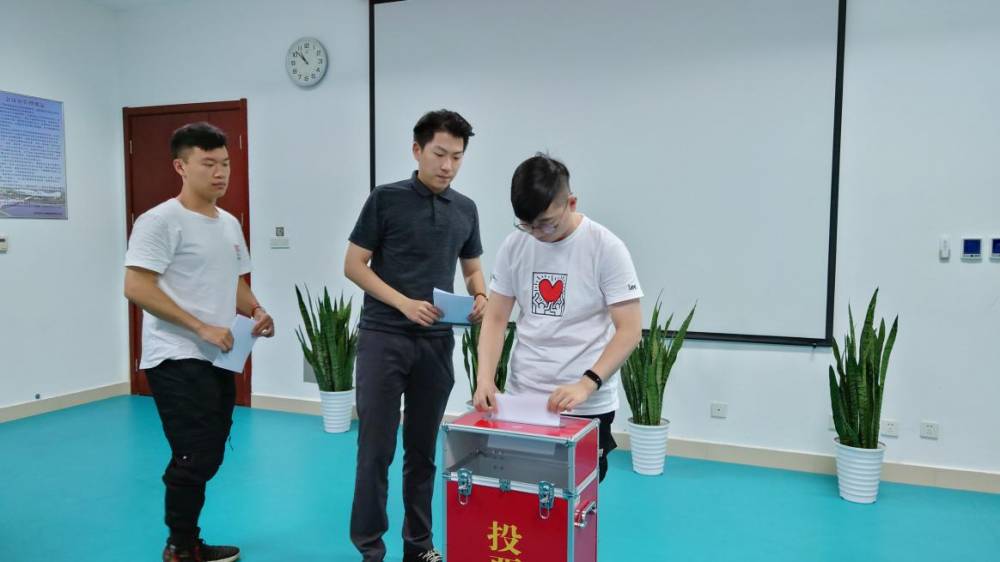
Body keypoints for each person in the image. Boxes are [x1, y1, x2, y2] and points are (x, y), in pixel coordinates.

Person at [124, 122, 274, 562]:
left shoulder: (229, 224)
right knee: (194, 453)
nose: (220, 172)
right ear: (181, 167)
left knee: (211, 451)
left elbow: (233, 281)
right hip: (175, 355)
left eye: (224, 163)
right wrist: (200, 327)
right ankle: (181, 546)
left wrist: (257, 310)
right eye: (208, 163)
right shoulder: (159, 221)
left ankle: (186, 540)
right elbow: (136, 287)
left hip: (220, 356)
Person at [344, 109, 487, 562]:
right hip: (383, 339)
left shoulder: (465, 209)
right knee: (375, 451)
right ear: (417, 150)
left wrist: (480, 294)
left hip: (436, 344)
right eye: (439, 154)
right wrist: (403, 303)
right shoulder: (385, 199)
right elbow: (353, 266)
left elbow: (472, 268)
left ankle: (419, 546)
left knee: (423, 452)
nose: (448, 166)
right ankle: (370, 549)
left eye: (457, 157)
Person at [473, 153, 643, 482]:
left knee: (575, 500)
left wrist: (586, 383)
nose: (537, 233)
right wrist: (484, 379)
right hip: (524, 399)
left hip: (585, 405)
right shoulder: (515, 246)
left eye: (546, 223)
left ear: (571, 203)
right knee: (520, 491)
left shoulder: (606, 248)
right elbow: (495, 319)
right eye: (527, 225)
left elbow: (630, 330)